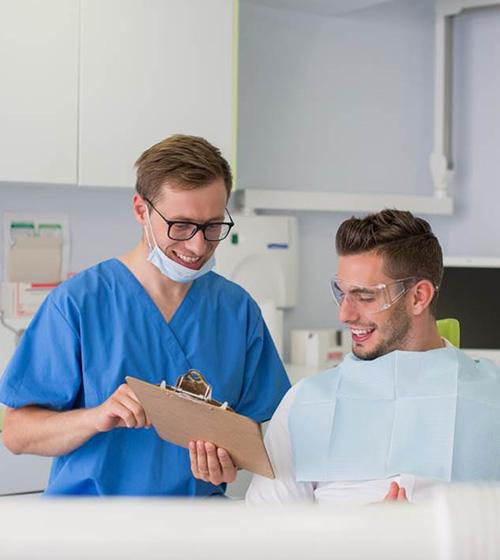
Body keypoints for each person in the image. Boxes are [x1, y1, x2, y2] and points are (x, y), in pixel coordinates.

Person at [0, 134, 290, 496]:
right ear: (141, 210)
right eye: (181, 226)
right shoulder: (79, 304)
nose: (198, 246)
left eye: (213, 226)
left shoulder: (236, 310)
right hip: (93, 527)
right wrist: (95, 417)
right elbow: (16, 433)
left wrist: (231, 459)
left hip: (197, 526)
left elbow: (261, 430)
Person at [246, 209, 500, 504]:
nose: (345, 314)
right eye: (341, 293)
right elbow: (266, 534)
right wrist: (364, 537)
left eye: (365, 296)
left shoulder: (491, 397)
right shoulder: (303, 404)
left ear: (418, 297)